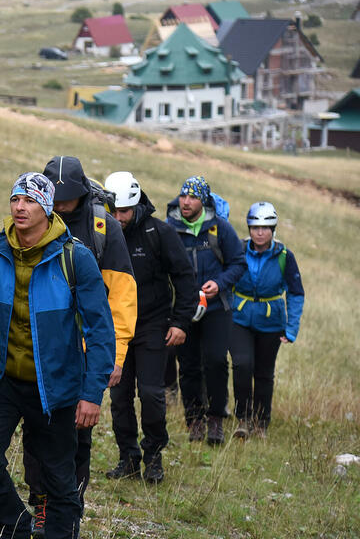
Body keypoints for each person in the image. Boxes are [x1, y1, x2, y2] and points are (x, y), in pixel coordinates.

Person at [0, 172, 115, 539]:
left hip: (57, 389)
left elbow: (101, 331)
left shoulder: (75, 258)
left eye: (30, 200)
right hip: (0, 380)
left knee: (58, 479)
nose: (20, 207)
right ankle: (17, 527)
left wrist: (91, 393)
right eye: (15, 198)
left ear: (46, 208)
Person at [23, 156, 137, 539]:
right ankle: (40, 505)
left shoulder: (103, 228)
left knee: (77, 434)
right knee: (37, 428)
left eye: (65, 200)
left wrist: (116, 355)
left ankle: (68, 506)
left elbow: (120, 296)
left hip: (86, 350)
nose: (58, 206)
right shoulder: (32, 218)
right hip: (41, 348)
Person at [103, 171, 197, 484]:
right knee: (118, 397)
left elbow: (184, 277)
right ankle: (128, 457)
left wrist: (181, 321)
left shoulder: (160, 233)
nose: (118, 218)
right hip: (115, 327)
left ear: (137, 206)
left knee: (152, 393)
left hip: (152, 325)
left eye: (124, 212)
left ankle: (154, 456)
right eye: (112, 211)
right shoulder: (101, 232)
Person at [166, 176, 247, 444]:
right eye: (183, 196)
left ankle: (215, 420)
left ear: (204, 201)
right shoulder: (170, 228)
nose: (186, 201)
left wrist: (220, 283)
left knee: (215, 361)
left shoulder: (219, 228)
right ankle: (195, 421)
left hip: (216, 307)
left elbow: (238, 262)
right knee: (188, 366)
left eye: (193, 197)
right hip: (185, 309)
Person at [230, 201, 304, 439]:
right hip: (239, 318)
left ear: (273, 229)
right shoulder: (238, 250)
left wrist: (291, 328)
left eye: (265, 227)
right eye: (255, 227)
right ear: (249, 228)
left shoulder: (284, 256)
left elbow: (296, 292)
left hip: (271, 323)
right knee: (242, 365)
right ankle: (243, 418)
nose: (260, 232)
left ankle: (261, 423)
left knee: (263, 373)